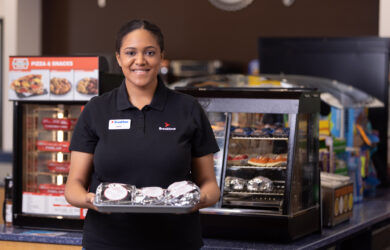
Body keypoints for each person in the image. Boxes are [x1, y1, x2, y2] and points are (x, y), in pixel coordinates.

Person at [64, 19, 220, 250]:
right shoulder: (96, 110)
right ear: (118, 58)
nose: (140, 61)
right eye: (130, 53)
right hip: (107, 242)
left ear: (161, 57)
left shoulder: (188, 109)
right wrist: (95, 201)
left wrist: (195, 200)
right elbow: (73, 186)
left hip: (176, 242)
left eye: (149, 52)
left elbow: (210, 185)